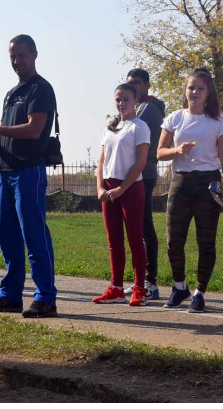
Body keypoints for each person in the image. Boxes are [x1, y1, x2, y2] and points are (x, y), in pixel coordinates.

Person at [0, 34, 58, 318]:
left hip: (28, 171)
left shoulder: (41, 89)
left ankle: (45, 296)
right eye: (12, 56)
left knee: (34, 234)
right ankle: (10, 295)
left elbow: (34, 130)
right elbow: (5, 135)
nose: (17, 61)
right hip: (4, 171)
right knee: (6, 235)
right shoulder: (12, 93)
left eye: (22, 55)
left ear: (35, 54)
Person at [158, 68, 223, 313]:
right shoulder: (175, 118)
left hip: (208, 184)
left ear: (208, 92)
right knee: (173, 240)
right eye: (191, 87)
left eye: (200, 88)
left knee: (206, 240)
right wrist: (177, 151)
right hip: (180, 181)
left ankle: (199, 292)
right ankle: (179, 286)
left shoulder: (218, 120)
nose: (195, 92)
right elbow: (159, 153)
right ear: (185, 90)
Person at [94, 83, 150, 306]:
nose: (121, 104)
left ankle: (140, 289)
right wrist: (100, 187)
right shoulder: (110, 128)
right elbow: (101, 161)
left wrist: (122, 188)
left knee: (135, 239)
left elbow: (141, 162)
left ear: (135, 100)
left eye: (126, 99)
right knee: (113, 240)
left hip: (130, 188)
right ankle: (116, 288)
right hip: (109, 189)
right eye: (118, 99)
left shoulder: (140, 127)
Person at [126, 68, 165, 300]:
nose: (134, 87)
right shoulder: (135, 107)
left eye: (138, 83)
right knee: (135, 227)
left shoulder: (149, 109)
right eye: (130, 83)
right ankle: (141, 279)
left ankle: (151, 281)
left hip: (145, 173)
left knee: (145, 227)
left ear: (148, 85)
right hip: (131, 173)